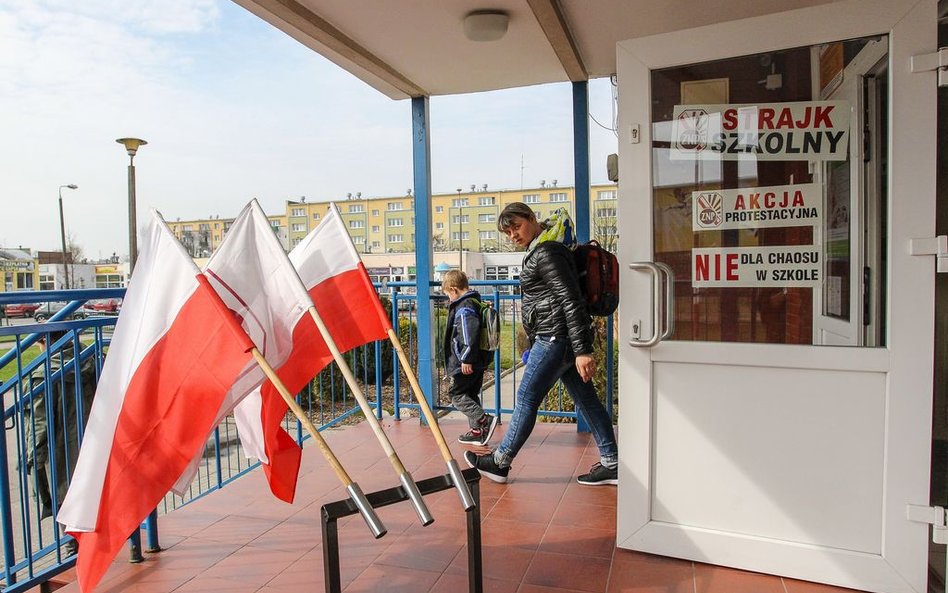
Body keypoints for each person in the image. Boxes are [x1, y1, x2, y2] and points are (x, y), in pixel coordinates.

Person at [465, 202, 618, 486]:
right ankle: (612, 462)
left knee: (526, 398)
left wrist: (583, 350)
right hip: (559, 338)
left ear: (532, 219)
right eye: (508, 232)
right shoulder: (549, 247)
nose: (513, 235)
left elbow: (570, 299)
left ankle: (500, 462)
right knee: (587, 401)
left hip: (555, 338)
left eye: (517, 227)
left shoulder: (547, 252)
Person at [24, 330, 97, 555]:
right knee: (92, 492)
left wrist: (33, 456)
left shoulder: (43, 375)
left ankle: (73, 546)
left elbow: (39, 424)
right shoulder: (92, 360)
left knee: (64, 495)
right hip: (93, 444)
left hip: (61, 451)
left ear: (46, 341)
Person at [442, 269, 498, 446]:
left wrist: (466, 358)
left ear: (454, 289)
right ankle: (477, 432)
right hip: (479, 360)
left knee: (456, 395)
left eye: (448, 295)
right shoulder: (476, 302)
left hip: (465, 362)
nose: (449, 300)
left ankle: (483, 420)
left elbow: (468, 334)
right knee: (471, 394)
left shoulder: (464, 307)